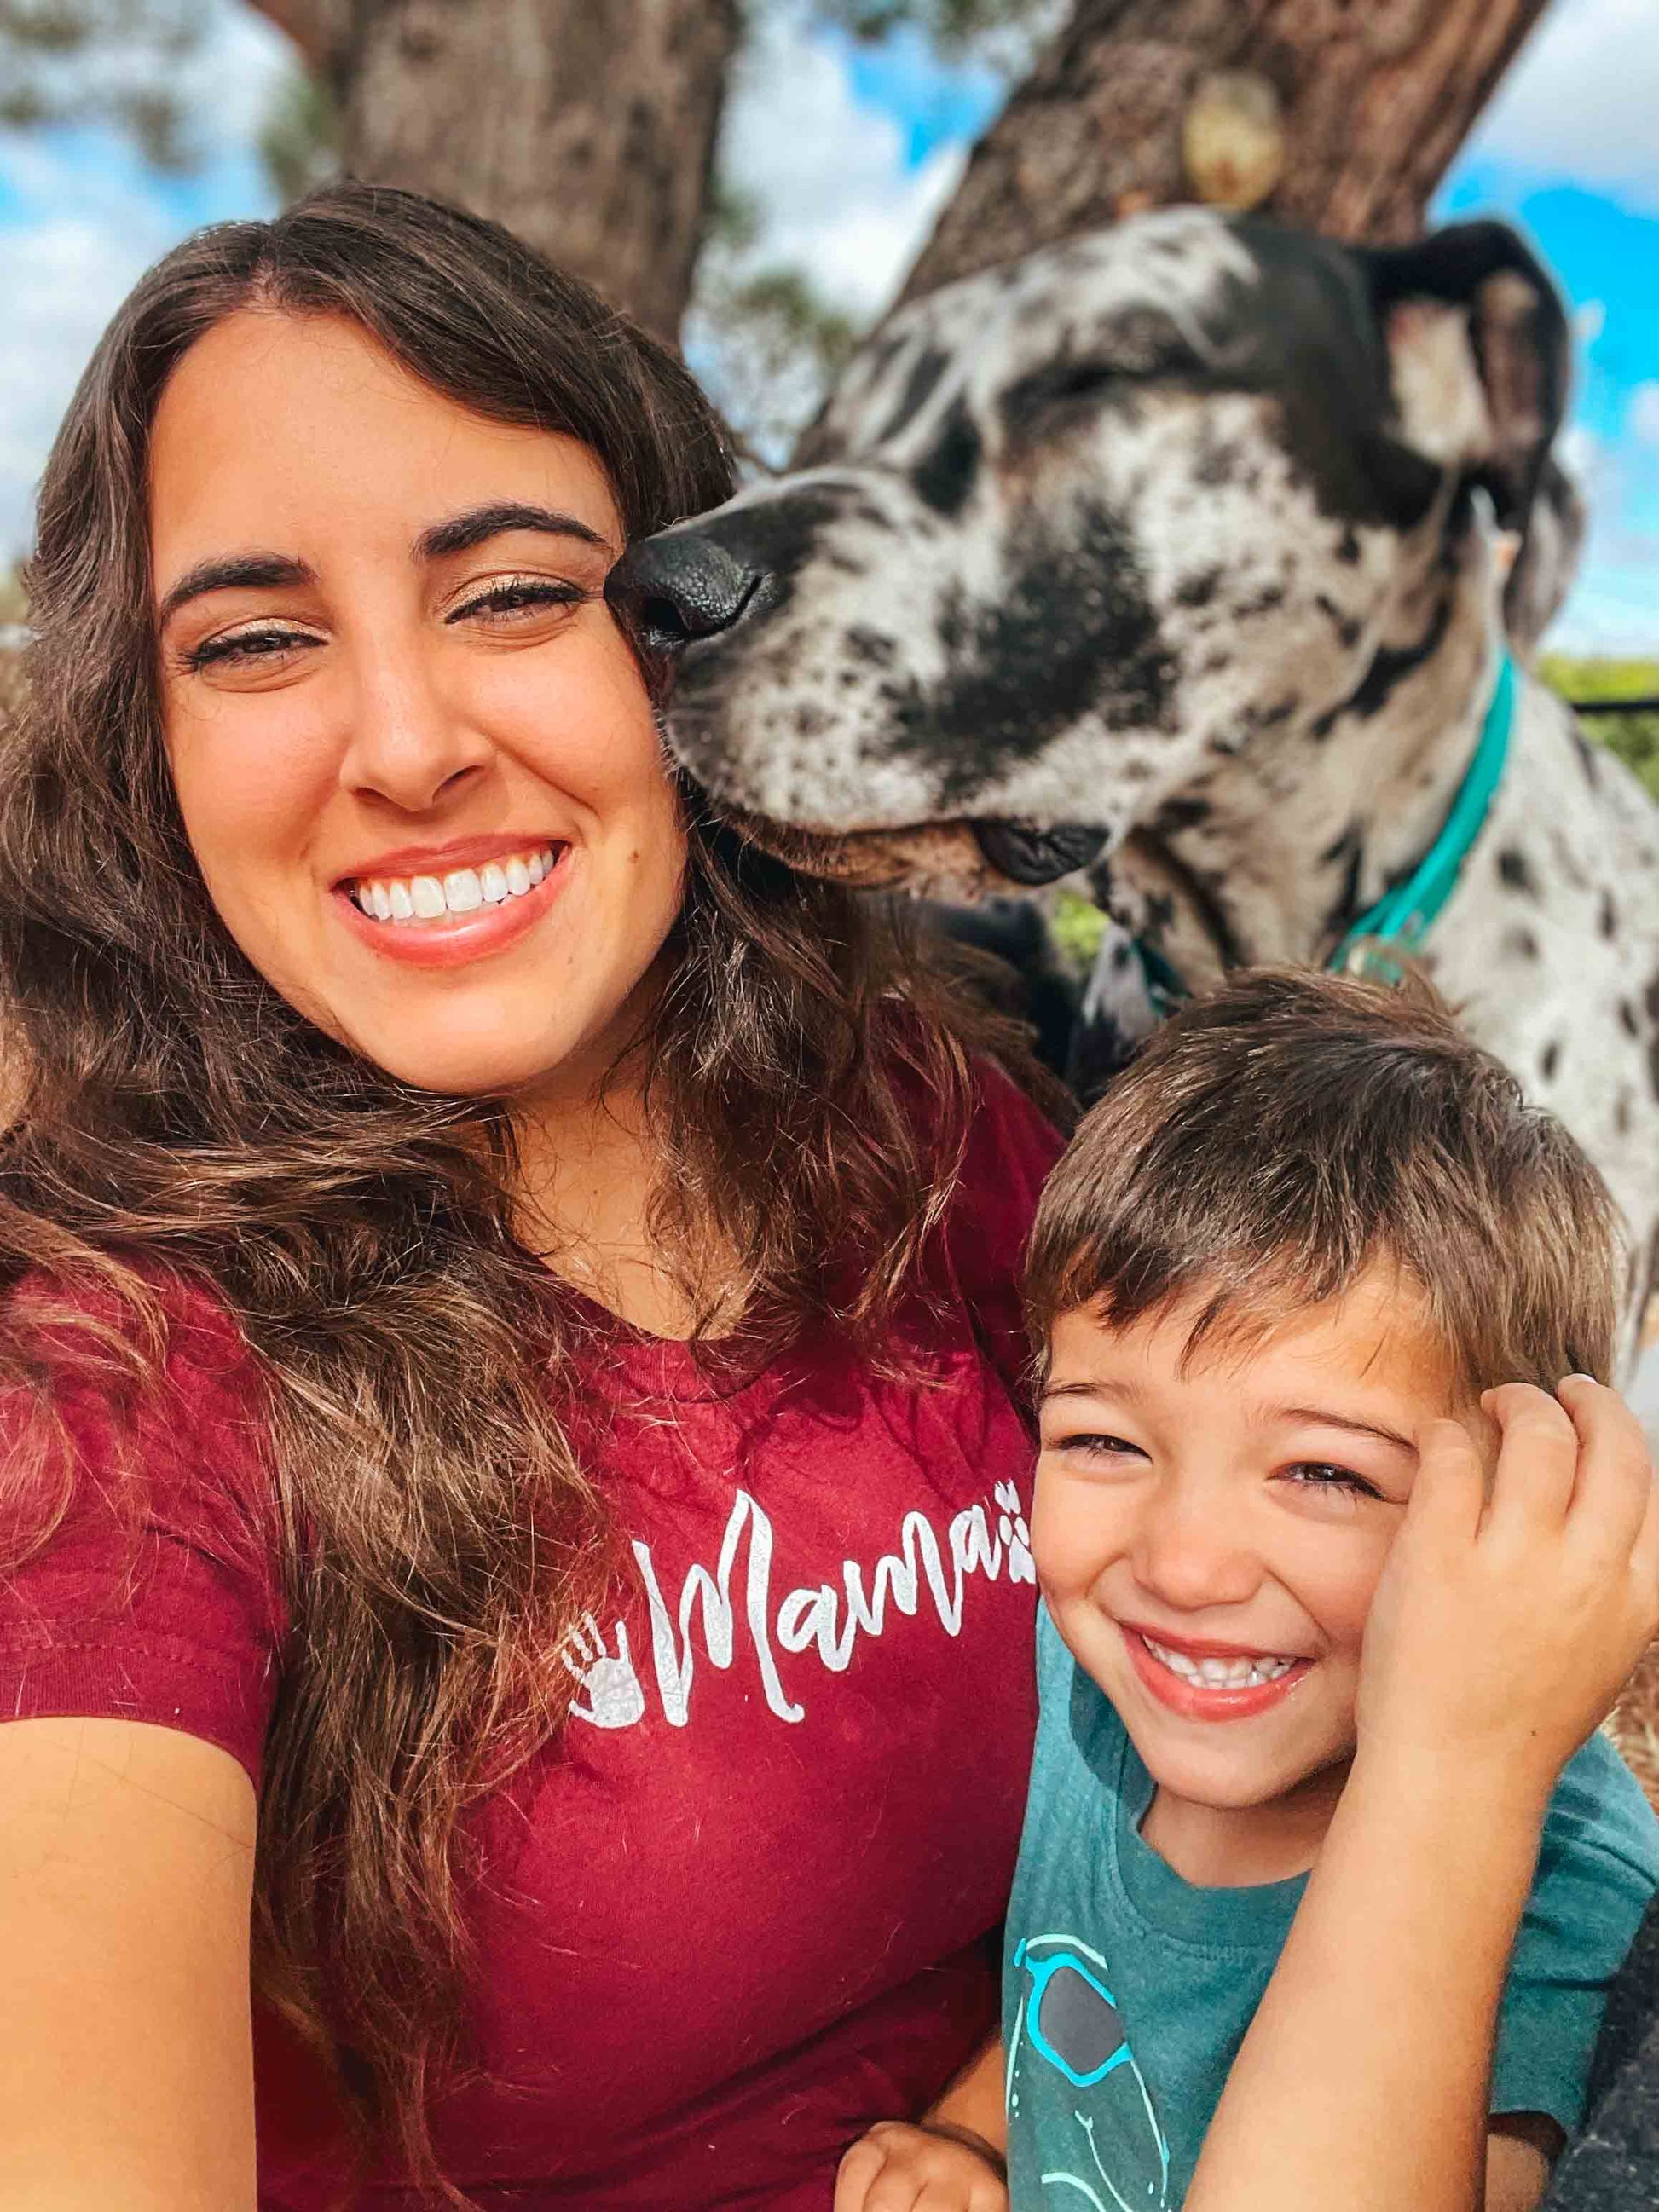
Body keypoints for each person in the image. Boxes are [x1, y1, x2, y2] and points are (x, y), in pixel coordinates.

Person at [0, 184, 1071, 2209]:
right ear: (145, 747)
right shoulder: (109, 1395)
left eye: (509, 596)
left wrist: (995, 2118)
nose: (403, 745)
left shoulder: (925, 1116)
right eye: (252, 640)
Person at [836, 968, 1659, 2212]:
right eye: (1105, 1442)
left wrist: (1455, 1767)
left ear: (1513, 1515)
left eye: (1325, 1472)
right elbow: (1082, 1983)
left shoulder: (1560, 1881)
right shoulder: (1088, 1692)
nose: (1180, 1566)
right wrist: (969, 2138)